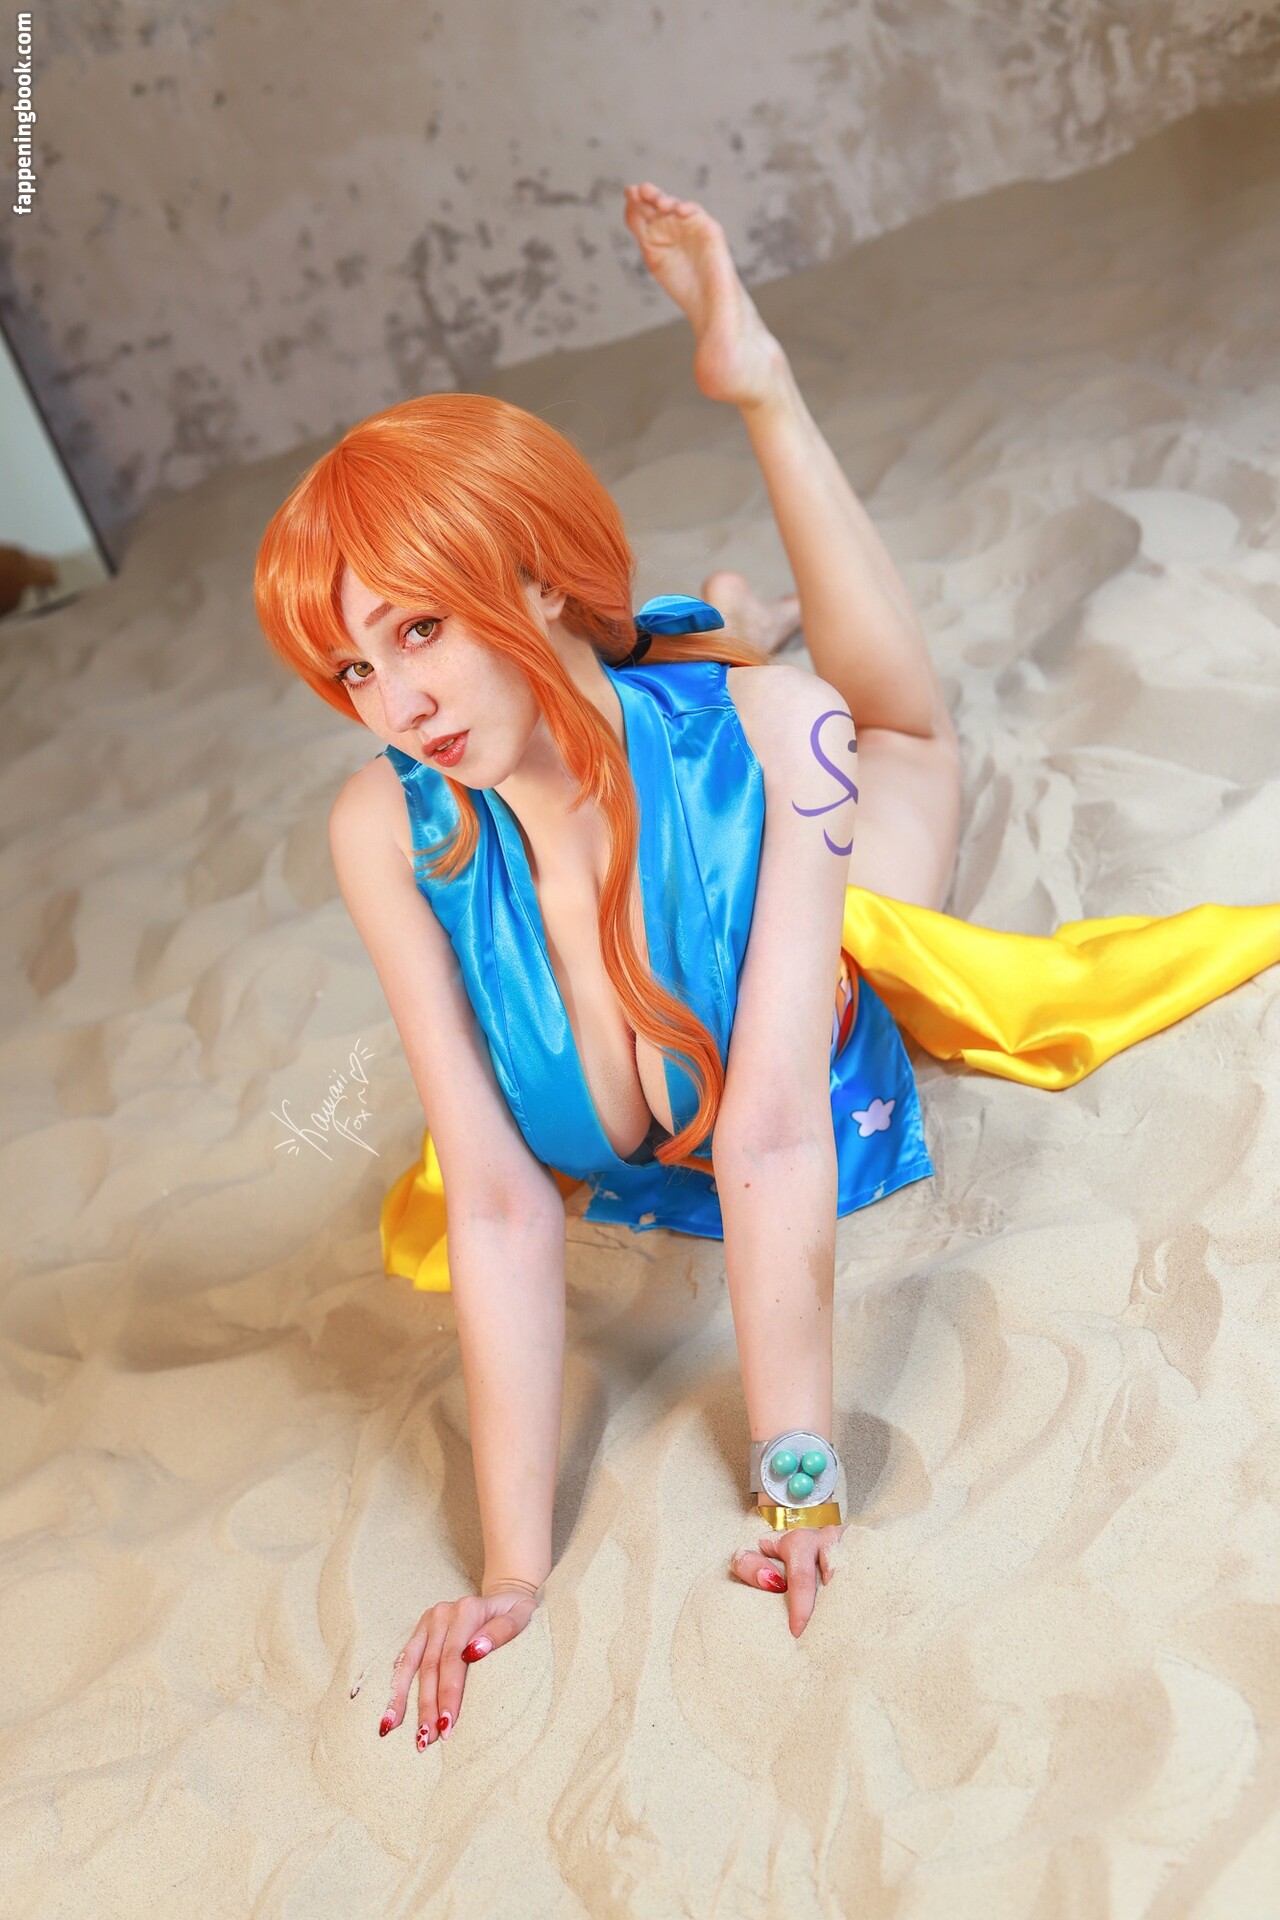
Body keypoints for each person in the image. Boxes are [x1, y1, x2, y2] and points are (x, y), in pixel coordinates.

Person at [254, 182, 1280, 1754]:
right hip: (632, 766)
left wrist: (798, 1480)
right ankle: (721, 621)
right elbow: (499, 1196)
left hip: (796, 897)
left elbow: (778, 1135)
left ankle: (761, 389)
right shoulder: (387, 829)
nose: (399, 704)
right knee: (763, 689)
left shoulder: (778, 739)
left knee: (896, 736)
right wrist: (512, 1572)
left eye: (420, 631)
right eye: (353, 666)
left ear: (533, 579)